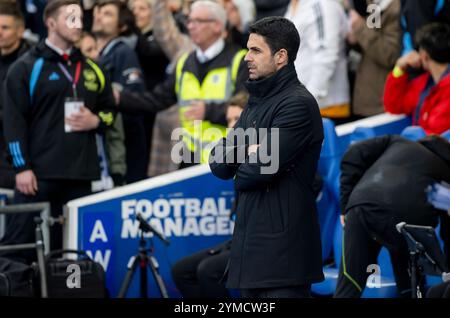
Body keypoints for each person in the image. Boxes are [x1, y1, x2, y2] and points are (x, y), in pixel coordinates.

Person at [209, 17, 324, 298]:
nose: (247, 57)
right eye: (248, 49)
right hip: (252, 257)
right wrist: (251, 149)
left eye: (256, 51)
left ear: (281, 56)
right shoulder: (256, 100)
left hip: (284, 263)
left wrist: (245, 153)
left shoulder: (298, 104)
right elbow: (219, 164)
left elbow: (255, 172)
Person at [1, 0, 116, 263]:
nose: (79, 24)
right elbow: (14, 121)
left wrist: (96, 121)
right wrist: (22, 167)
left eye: (80, 18)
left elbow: (111, 112)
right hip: (37, 176)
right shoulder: (27, 67)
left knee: (72, 254)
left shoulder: (92, 68)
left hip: (80, 176)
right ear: (51, 23)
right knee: (21, 249)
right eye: (70, 18)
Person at [115, 0, 248, 166]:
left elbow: (248, 108)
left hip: (227, 159)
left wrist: (208, 110)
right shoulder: (185, 62)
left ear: (217, 26)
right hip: (189, 161)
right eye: (189, 20)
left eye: (198, 21)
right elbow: (157, 99)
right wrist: (119, 98)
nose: (191, 26)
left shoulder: (240, 60)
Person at [335, 135, 450, 298]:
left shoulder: (396, 141)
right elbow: (448, 232)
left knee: (349, 286)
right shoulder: (447, 175)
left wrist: (346, 204)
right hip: (408, 220)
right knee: (411, 290)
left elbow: (353, 153)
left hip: (363, 206)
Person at [170, 91, 248, 298]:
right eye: (229, 120)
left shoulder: (269, 149)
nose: (231, 125)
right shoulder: (235, 151)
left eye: (237, 119)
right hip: (238, 240)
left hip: (264, 243)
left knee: (208, 270)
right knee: (181, 270)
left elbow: (312, 183)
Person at [93, 0, 147, 184]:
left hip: (124, 147)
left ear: (122, 26)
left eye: (107, 14)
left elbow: (135, 95)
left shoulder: (123, 52)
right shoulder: (95, 53)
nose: (99, 16)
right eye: (98, 12)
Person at [285, 0, 351, 124]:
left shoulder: (322, 4)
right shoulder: (294, 5)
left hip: (325, 108)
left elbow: (326, 56)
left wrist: (306, 103)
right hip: (300, 106)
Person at [384, 23, 450, 135]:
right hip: (420, 148)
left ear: (424, 55)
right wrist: (399, 69)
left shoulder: (445, 88)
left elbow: (437, 133)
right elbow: (394, 105)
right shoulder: (424, 83)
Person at [346, 0, 401, 117]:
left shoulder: (396, 8)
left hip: (381, 103)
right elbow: (369, 48)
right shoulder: (374, 6)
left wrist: (360, 28)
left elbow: (389, 55)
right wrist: (355, 40)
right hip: (366, 98)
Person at [0, 2, 31, 189]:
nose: (0, 32)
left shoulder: (31, 64)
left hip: (20, 159)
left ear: (20, 31)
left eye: (5, 27)